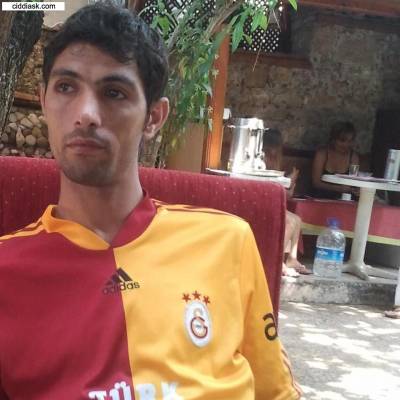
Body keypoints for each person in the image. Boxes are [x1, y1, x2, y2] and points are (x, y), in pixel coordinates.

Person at [0, 3, 301, 400]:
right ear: (43, 101)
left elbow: (275, 393)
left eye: (114, 93)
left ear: (154, 118)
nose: (86, 114)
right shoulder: (7, 272)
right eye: (66, 87)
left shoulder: (228, 241)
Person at [263, 128, 311, 277]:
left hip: (270, 200)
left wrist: (290, 182)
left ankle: (292, 259)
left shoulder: (274, 160)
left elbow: (280, 191)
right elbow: (271, 189)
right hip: (263, 201)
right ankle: (276, 262)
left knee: (297, 219)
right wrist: (290, 183)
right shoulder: (262, 160)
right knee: (290, 221)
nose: (275, 151)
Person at [312, 121, 360, 199]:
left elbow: (353, 181)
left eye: (350, 141)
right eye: (342, 141)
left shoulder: (353, 157)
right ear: (333, 139)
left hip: (345, 199)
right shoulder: (322, 154)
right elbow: (316, 183)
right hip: (321, 198)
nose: (346, 145)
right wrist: (339, 189)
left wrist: (356, 190)